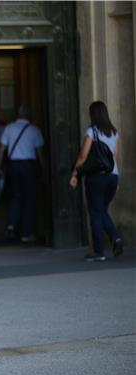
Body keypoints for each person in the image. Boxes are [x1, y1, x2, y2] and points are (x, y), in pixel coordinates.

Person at [69, 101, 123, 262]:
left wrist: (75, 174)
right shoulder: (114, 133)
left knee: (95, 212)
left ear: (93, 114)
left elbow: (83, 156)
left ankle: (98, 251)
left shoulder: (91, 132)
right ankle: (116, 239)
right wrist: (117, 179)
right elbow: (115, 157)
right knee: (101, 211)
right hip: (112, 177)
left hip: (96, 177)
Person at [0, 105, 45, 242]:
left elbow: (1, 149)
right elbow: (40, 154)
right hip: (29, 166)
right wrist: (44, 169)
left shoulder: (9, 128)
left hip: (13, 165)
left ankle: (11, 226)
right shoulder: (34, 130)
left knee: (15, 196)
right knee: (29, 199)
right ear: (29, 115)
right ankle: (26, 233)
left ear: (17, 114)